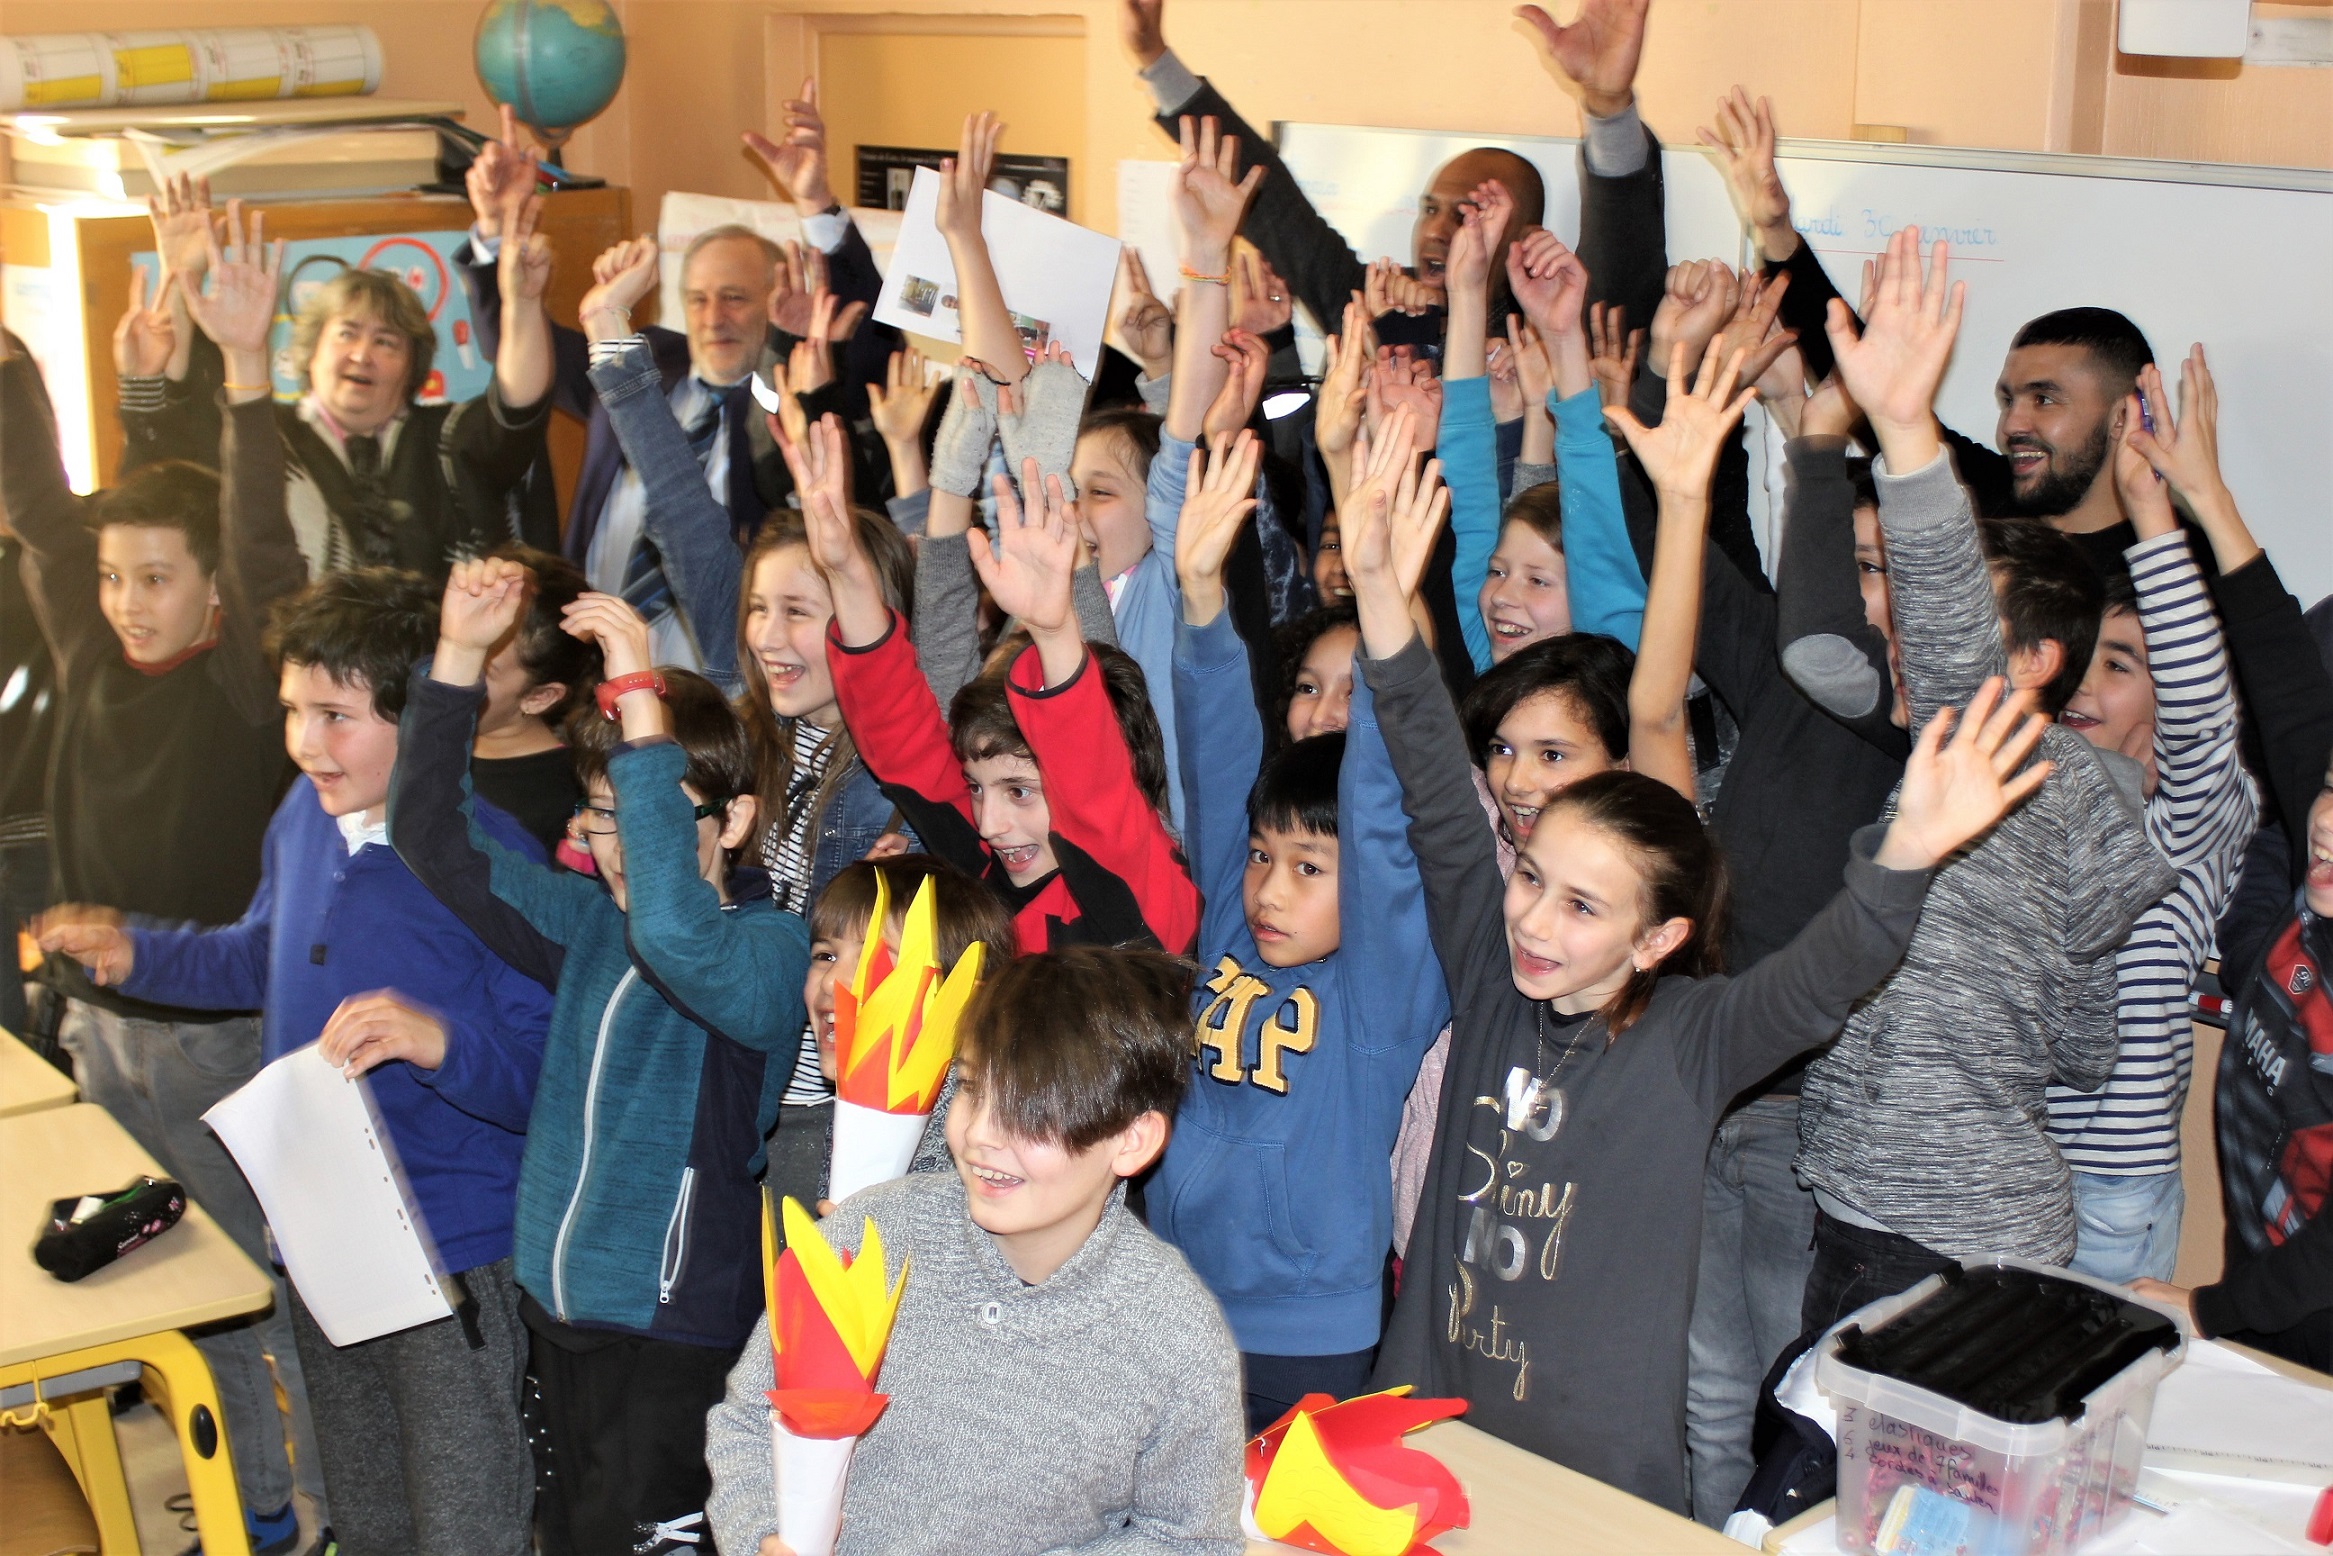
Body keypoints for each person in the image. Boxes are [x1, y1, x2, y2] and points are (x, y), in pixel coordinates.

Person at [1357, 327, 2055, 1514]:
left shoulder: (1693, 1040)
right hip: (1420, 1434)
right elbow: (1433, 778)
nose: (1533, 920)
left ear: (1658, 939)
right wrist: (1382, 593)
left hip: (1593, 1487)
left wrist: (1909, 848)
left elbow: (1829, 969)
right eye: (1531, 878)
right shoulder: (1485, 964)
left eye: (1583, 904)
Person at [41, 567, 556, 1556]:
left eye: (336, 716)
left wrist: (441, 1043)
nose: (306, 743)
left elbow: (545, 1078)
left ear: (425, 720)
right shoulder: (304, 817)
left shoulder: (491, 861)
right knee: (369, 1506)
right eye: (292, 710)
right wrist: (139, 952)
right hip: (324, 1229)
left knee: (464, 1514)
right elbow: (255, 953)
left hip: (450, 1247)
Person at [1791, 228, 2176, 1333]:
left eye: (1938, 627)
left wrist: (1904, 425)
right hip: (1962, 1211)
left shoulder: (1997, 755)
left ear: (2031, 666)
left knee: (1818, 1439)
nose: (1902, 643)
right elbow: (2082, 1046)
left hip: (1916, 1218)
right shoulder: (2049, 792)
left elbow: (1943, 603)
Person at [387, 561, 811, 1555]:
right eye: (600, 814)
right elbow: (430, 835)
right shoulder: (587, 925)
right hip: (560, 1307)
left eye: (646, 811)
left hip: (674, 1326)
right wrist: (457, 658)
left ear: (735, 820)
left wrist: (635, 691)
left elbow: (673, 929)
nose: (620, 843)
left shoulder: (765, 952)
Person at [7, 228, 320, 1555]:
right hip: (104, 1041)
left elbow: (259, 543)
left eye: (156, 579)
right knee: (167, 1288)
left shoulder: (248, 687)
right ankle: (240, 1499)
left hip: (217, 1046)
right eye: (113, 578)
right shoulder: (91, 653)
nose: (127, 603)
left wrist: (241, 372)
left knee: (253, 1292)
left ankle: (306, 1507)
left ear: (213, 595)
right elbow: (38, 499)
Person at [703, 948, 1246, 1555]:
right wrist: (761, 1539)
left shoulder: (1173, 1331)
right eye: (970, 1088)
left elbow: (1189, 1538)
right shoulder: (872, 1234)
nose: (982, 1134)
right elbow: (748, 1421)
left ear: (1131, 1140)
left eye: (1030, 1109)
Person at [1156, 423, 1449, 1432]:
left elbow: (1379, 806)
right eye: (1260, 857)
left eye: (1308, 868)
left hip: (1307, 1333)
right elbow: (1217, 757)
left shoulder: (1379, 989)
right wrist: (1200, 596)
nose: (1269, 890)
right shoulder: (1235, 930)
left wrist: (1380, 601)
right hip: (1178, 1295)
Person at [452, 98, 887, 668]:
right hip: (585, 653)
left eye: (735, 297)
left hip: (722, 670)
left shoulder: (791, 396)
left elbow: (867, 335)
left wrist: (816, 204)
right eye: (697, 300)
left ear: (778, 301)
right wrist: (494, 232)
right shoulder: (650, 361)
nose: (713, 318)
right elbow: (523, 351)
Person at [1706, 89, 2159, 571]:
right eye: (2009, 400)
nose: (2013, 425)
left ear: (2123, 416)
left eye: (2044, 399)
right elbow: (1874, 393)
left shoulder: (2169, 561)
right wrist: (1775, 232)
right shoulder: (1989, 500)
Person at [2122, 346, 2333, 1371]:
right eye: (2328, 789)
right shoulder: (2320, 852)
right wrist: (2201, 500)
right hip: (2271, 1282)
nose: (2323, 826)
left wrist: (2210, 1310)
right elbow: (2287, 684)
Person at [820, 435, 1199, 956]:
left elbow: (1092, 787)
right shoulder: (988, 865)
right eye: (976, 788)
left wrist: (1053, 631)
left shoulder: (1143, 895)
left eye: (1020, 791)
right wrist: (846, 574)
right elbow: (899, 736)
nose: (989, 824)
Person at [1117, 0, 1672, 340]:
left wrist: (1608, 106)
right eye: (1430, 210)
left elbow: (1622, 250)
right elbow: (1274, 203)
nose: (1436, 230)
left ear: (1524, 242)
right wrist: (1155, 61)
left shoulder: (1553, 330)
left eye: (1467, 214)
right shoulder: (1370, 305)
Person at [2045, 391, 2255, 1286]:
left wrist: (2147, 513)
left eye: (2121, 664)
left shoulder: (2197, 812)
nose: (2082, 684)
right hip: (2003, 1166)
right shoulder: (2043, 783)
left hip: (2107, 1192)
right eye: (2081, 655)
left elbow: (2201, 721)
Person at [120, 185, 558, 580]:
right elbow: (169, 447)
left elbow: (519, 405)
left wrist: (524, 301)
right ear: (310, 350)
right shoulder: (259, 437)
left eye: (386, 342)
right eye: (347, 334)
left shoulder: (449, 437)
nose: (362, 355)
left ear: (413, 366)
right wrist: (180, 275)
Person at [466, 542, 600, 857]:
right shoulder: (416, 733)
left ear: (540, 697)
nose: (452, 668)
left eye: (482, 668)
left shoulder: (570, 801)